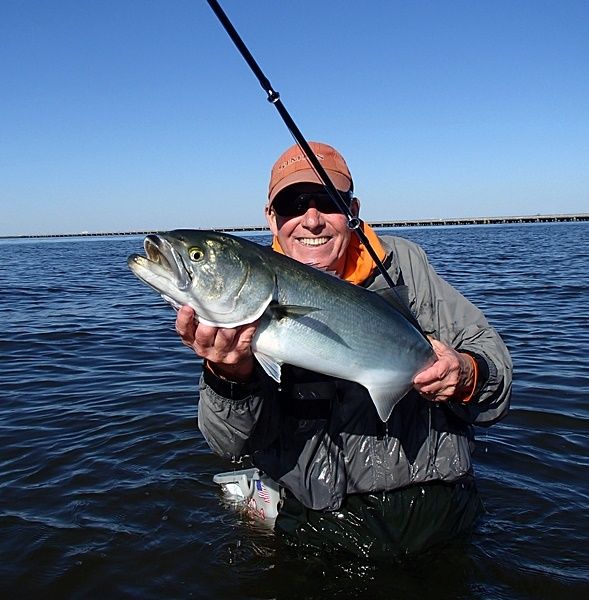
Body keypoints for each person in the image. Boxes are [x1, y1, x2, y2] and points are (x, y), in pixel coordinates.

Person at [175, 141, 512, 558]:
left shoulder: (405, 266)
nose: (311, 220)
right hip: (320, 534)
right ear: (271, 218)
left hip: (443, 523)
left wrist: (466, 372)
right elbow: (228, 445)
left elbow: (498, 383)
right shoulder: (243, 300)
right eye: (292, 205)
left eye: (327, 202)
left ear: (352, 210)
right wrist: (229, 378)